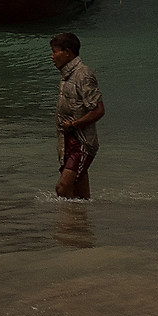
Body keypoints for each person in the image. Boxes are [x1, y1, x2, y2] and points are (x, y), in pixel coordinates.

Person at [51, 32, 103, 200]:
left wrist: (74, 125)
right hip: (67, 141)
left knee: (62, 187)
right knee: (81, 197)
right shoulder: (66, 76)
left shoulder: (83, 75)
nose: (52, 56)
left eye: (55, 51)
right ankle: (80, 224)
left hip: (81, 143)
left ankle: (69, 224)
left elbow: (98, 110)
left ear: (68, 52)